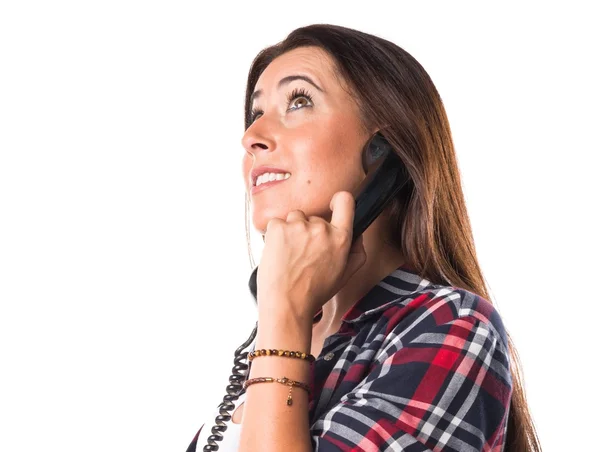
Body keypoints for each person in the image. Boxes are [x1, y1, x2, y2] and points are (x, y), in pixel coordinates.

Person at [187, 24, 541, 452]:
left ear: (382, 151)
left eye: (298, 102)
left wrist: (282, 320)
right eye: (256, 114)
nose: (251, 138)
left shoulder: (452, 328)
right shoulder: (282, 341)